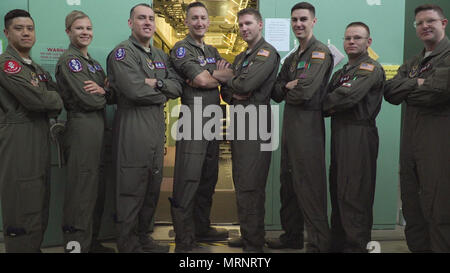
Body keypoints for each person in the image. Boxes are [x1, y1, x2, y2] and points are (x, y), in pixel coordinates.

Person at [107, 3, 182, 253]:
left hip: (155, 128)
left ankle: (143, 238)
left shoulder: (160, 55)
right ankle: (128, 245)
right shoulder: (123, 53)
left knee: (152, 186)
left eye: (151, 18)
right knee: (131, 187)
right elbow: (133, 90)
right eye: (141, 18)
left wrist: (155, 82)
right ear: (131, 23)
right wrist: (161, 92)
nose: (148, 22)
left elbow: (177, 87)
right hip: (133, 127)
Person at [384, 4, 450, 253]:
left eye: (430, 21)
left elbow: (439, 90)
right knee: (412, 205)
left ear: (443, 23)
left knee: (439, 207)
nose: (425, 26)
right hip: (411, 145)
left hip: (439, 144)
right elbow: (390, 92)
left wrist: (407, 87)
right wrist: (418, 83)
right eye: (420, 23)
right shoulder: (413, 62)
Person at [216, 8, 279, 253]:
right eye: (241, 25)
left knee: (252, 185)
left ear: (260, 25)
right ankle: (249, 233)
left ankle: (254, 245)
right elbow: (229, 94)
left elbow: (245, 83)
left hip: (256, 125)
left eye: (248, 23)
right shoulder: (242, 57)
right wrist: (234, 85)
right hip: (240, 124)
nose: (244, 28)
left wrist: (230, 79)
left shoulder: (267, 53)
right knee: (242, 183)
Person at [270, 2, 333, 252]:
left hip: (308, 128)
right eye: (294, 20)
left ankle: (319, 242)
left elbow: (306, 92)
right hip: (291, 127)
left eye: (303, 19)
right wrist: (287, 86)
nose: (298, 24)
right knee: (289, 183)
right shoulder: (294, 56)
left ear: (313, 21)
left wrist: (290, 88)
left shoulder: (320, 53)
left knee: (310, 185)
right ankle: (292, 237)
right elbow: (276, 91)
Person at [0, 9, 63, 252]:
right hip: (18, 142)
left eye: (30, 28)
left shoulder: (34, 67)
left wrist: (51, 98)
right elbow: (38, 101)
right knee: (22, 205)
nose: (26, 33)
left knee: (38, 204)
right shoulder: (7, 65)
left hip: (37, 139)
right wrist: (51, 99)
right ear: (6, 33)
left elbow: (57, 96)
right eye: (19, 28)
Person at [169, 1, 229, 253]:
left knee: (208, 177)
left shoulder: (213, 50)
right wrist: (212, 75)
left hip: (213, 121)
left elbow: (231, 74)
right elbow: (204, 79)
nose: (200, 22)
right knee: (188, 180)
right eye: (194, 18)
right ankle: (185, 239)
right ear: (186, 21)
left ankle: (202, 226)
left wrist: (210, 75)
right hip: (193, 122)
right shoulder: (182, 49)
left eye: (203, 18)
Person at [55, 10, 115, 253]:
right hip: (81, 127)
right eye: (79, 28)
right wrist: (104, 92)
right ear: (68, 31)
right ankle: (75, 247)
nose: (85, 32)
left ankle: (90, 243)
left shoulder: (92, 63)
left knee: (95, 189)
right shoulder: (70, 61)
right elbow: (89, 99)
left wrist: (104, 91)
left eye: (88, 28)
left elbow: (107, 92)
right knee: (81, 191)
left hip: (98, 128)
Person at [323, 22, 385, 253]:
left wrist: (325, 106)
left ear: (368, 42)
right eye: (348, 38)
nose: (351, 41)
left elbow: (346, 97)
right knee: (338, 188)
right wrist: (328, 104)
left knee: (355, 192)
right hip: (340, 132)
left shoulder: (370, 68)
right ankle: (339, 244)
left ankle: (356, 246)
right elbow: (330, 95)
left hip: (359, 133)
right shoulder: (342, 73)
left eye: (357, 38)